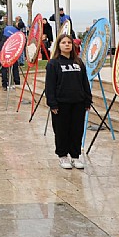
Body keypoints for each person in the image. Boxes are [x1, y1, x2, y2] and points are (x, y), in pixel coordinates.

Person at [45, 34, 92, 170]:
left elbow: (84, 83)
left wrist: (87, 100)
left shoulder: (78, 63)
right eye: (64, 42)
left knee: (77, 130)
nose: (67, 45)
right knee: (61, 130)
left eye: (69, 43)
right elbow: (50, 85)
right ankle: (63, 156)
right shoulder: (53, 64)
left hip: (78, 102)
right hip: (61, 104)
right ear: (58, 46)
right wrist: (52, 103)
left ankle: (75, 156)